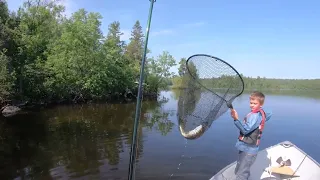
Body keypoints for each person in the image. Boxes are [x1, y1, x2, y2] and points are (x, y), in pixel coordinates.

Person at [230, 91, 273, 180]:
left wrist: (236, 119)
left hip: (248, 149)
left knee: (242, 172)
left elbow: (245, 130)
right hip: (245, 147)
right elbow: (270, 113)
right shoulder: (260, 114)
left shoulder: (255, 116)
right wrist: (261, 111)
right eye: (251, 103)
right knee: (241, 167)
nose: (252, 105)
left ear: (261, 104)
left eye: (255, 103)